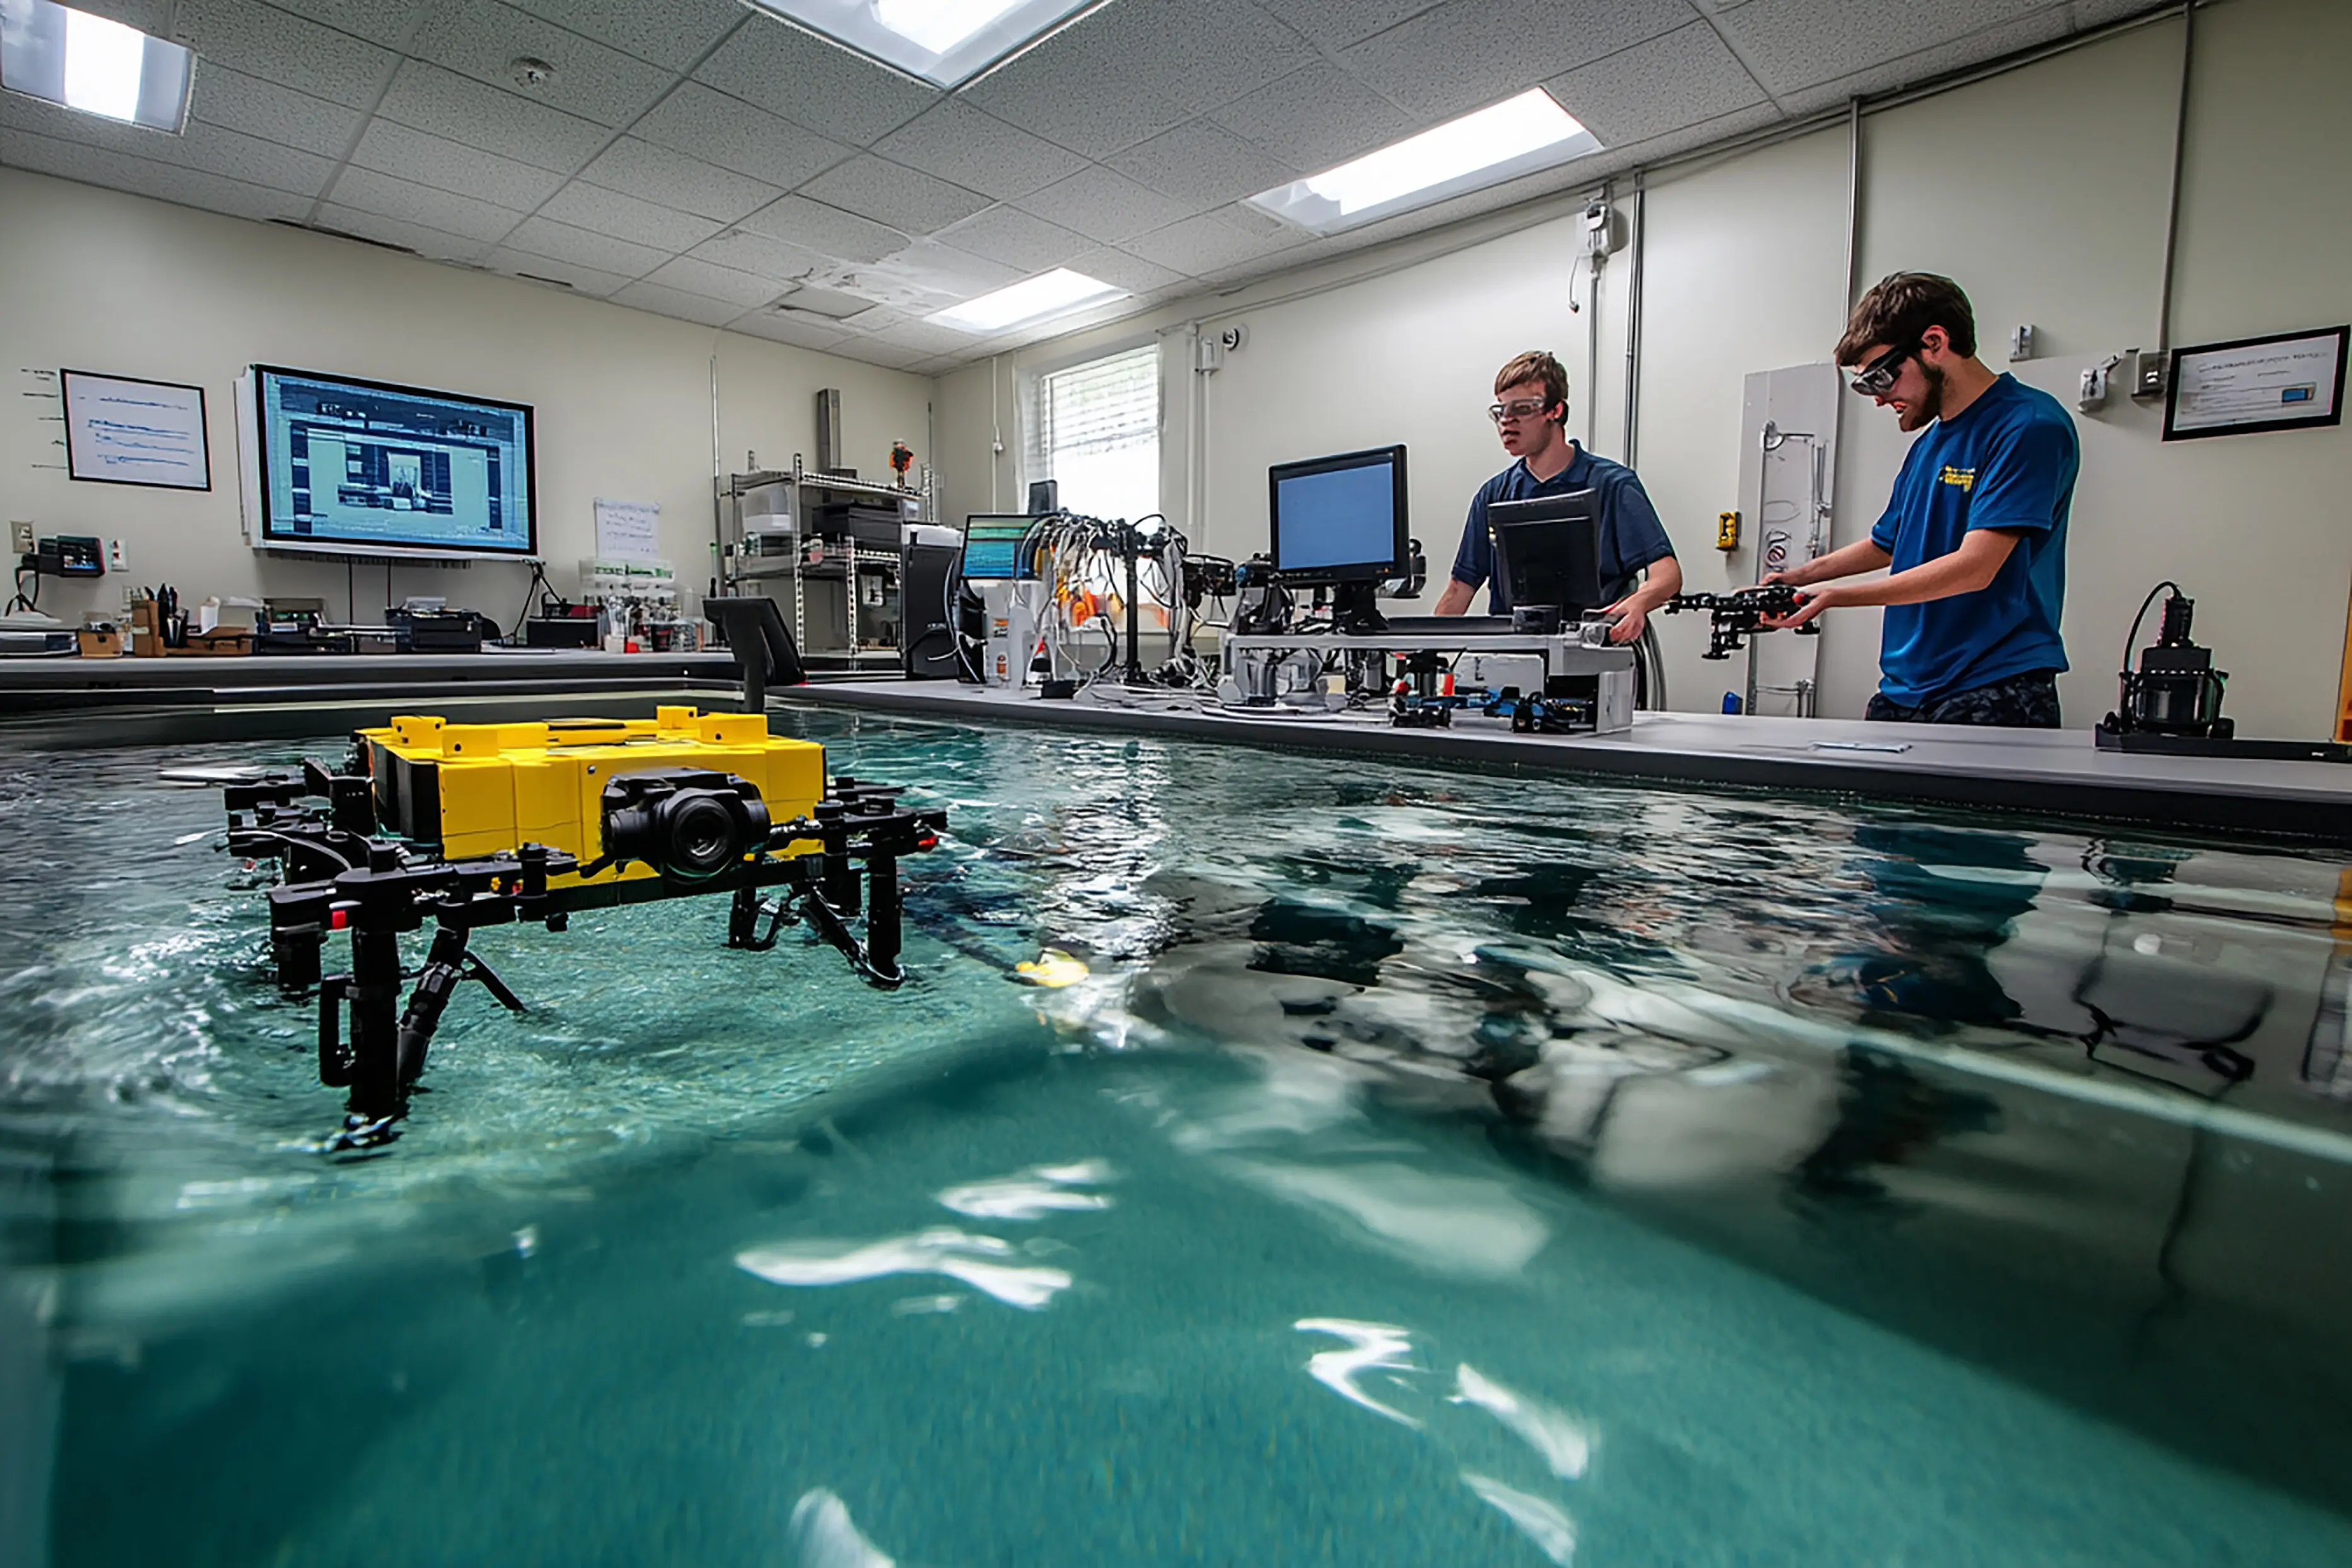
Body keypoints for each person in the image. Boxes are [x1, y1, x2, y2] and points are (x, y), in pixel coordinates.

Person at [1762, 273, 2077, 726]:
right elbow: (1887, 544)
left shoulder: (2028, 426)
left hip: (1992, 685)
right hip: (1905, 687)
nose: (1877, 398)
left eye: (1881, 376)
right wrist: (1796, 578)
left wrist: (1832, 597)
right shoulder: (1929, 444)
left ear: (1933, 343)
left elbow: (1976, 566)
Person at [1433, 351, 1681, 644]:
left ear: (1556, 410)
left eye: (1522, 409)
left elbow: (1668, 575)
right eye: (1500, 411)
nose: (1506, 421)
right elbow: (1460, 588)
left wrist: (1638, 603)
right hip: (1513, 659)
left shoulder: (1612, 486)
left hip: (1594, 658)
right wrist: (1420, 652)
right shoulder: (1493, 495)